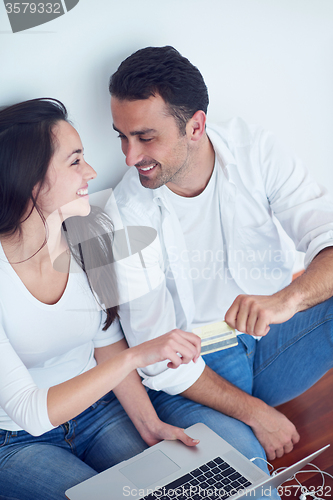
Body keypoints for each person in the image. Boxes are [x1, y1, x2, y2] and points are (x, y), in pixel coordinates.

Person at [105, 45, 333, 494]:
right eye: (122, 137)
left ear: (196, 126)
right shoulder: (125, 213)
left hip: (270, 337)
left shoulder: (256, 149)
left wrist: (287, 299)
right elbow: (158, 360)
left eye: (146, 137)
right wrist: (254, 413)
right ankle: (240, 426)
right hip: (196, 373)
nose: (130, 157)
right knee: (247, 489)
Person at [0, 98, 202, 500]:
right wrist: (138, 355)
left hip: (97, 413)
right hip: (16, 439)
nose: (90, 172)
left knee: (177, 492)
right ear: (29, 177)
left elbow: (105, 343)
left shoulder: (85, 238)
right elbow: (30, 411)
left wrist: (149, 426)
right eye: (75, 161)